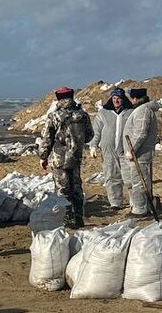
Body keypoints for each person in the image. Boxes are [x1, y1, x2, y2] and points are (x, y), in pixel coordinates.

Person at [39, 87, 91, 227]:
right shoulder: (83, 115)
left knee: (62, 189)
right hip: (76, 157)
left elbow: (47, 138)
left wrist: (43, 156)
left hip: (59, 159)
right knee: (76, 188)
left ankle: (67, 219)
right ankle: (79, 218)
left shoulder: (54, 116)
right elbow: (89, 136)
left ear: (58, 99)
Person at [89, 87, 134, 211]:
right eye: (114, 98)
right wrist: (93, 145)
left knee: (129, 176)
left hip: (126, 149)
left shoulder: (130, 112)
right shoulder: (103, 113)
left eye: (119, 98)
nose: (116, 101)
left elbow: (135, 129)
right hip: (108, 149)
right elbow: (96, 131)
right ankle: (115, 202)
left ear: (123, 99)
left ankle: (134, 201)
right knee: (111, 176)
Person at [122, 87, 158, 217]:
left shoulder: (143, 111)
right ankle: (146, 205)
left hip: (140, 154)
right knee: (141, 181)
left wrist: (132, 150)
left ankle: (139, 209)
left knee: (138, 182)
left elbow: (140, 133)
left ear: (134, 98)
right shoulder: (142, 110)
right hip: (139, 153)